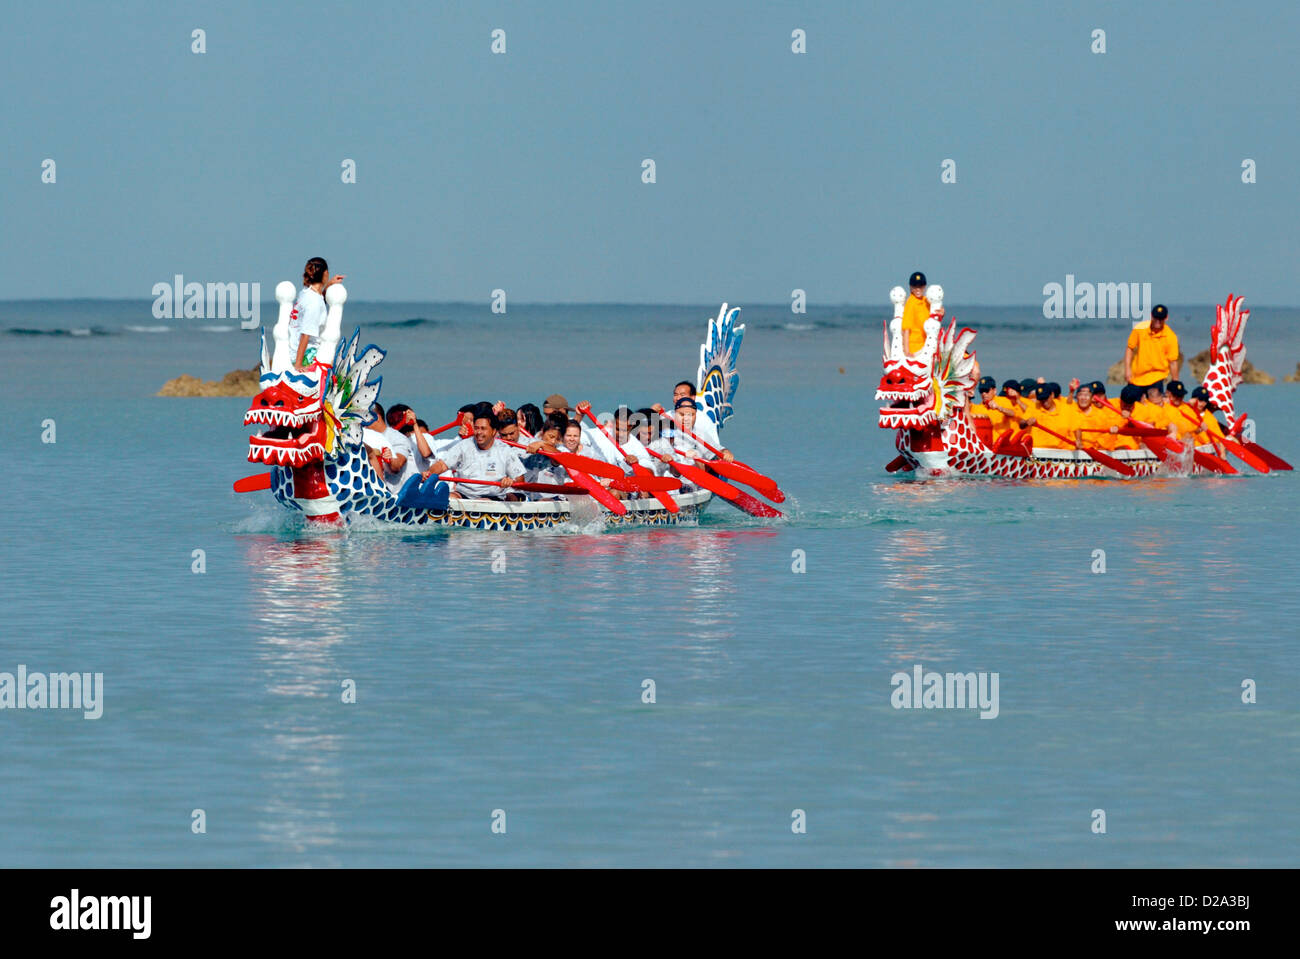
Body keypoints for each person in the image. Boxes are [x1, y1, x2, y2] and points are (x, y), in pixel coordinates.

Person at [421, 411, 525, 500]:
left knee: (483, 502)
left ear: (494, 431)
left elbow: (520, 480)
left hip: (492, 497)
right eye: (476, 428)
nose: (478, 432)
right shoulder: (464, 445)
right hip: (464, 494)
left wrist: (510, 481)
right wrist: (429, 472)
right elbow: (442, 465)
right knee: (447, 498)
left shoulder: (505, 450)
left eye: (483, 428)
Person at [289, 257, 345, 370]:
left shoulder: (306, 293)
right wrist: (298, 365)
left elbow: (319, 302)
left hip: (293, 350)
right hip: (306, 355)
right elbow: (305, 334)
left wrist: (328, 285)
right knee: (341, 368)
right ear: (325, 273)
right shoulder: (313, 303)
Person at [1124, 304, 1179, 391]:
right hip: (1136, 377)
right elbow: (1130, 348)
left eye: (1161, 319)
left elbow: (1173, 362)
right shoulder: (1140, 328)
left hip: (1156, 377)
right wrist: (1127, 370)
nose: (1158, 321)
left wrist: (1175, 384)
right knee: (1130, 401)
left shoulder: (1170, 336)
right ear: (1151, 316)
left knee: (1154, 403)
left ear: (1166, 318)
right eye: (1156, 318)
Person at [362, 403, 416, 494]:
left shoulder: (398, 438)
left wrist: (390, 459)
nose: (361, 423)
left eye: (364, 418)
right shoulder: (363, 436)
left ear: (376, 417)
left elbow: (397, 465)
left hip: (395, 497)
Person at [901, 271, 943, 353]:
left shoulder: (926, 301)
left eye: (920, 286)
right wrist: (907, 352)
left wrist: (942, 313)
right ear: (910, 287)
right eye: (914, 286)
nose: (918, 289)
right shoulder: (911, 303)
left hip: (927, 344)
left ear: (925, 287)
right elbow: (906, 329)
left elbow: (934, 317)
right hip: (915, 347)